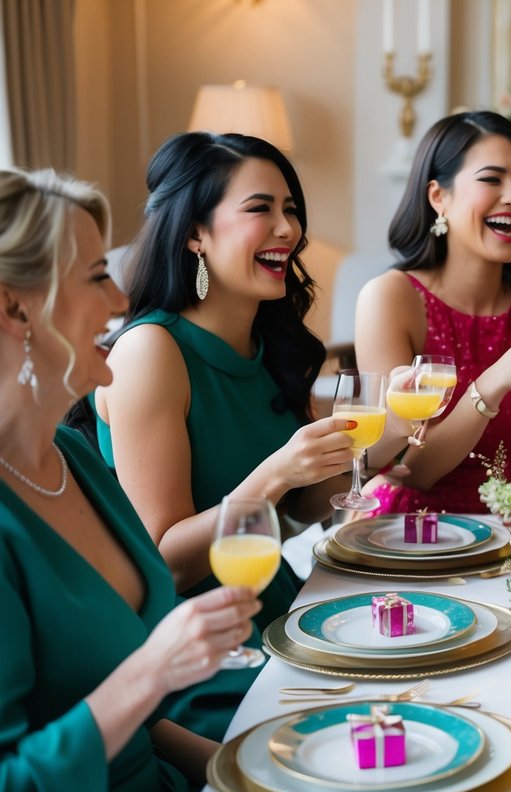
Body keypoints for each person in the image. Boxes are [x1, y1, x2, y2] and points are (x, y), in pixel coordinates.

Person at [0, 168, 260, 792]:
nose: (121, 296)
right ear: (13, 308)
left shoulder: (74, 458)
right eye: (95, 276)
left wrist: (245, 772)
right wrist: (152, 671)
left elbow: (132, 722)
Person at [91, 133, 355, 736]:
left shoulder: (267, 343)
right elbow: (166, 565)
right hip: (207, 654)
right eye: (260, 208)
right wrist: (276, 473)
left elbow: (308, 508)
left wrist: (373, 444)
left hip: (288, 614)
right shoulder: (151, 352)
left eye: (291, 209)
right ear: (195, 233)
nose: (288, 228)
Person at [354, 111, 511, 513]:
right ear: (438, 197)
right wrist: (493, 382)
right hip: (414, 532)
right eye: (492, 179)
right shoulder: (390, 298)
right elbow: (416, 471)